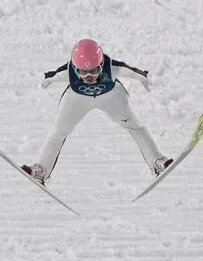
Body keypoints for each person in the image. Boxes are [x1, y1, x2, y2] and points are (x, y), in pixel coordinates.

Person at [22, 39, 172, 185]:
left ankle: (156, 161)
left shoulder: (111, 67)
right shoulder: (67, 72)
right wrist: (43, 83)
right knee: (58, 132)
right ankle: (41, 171)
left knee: (136, 126)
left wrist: (146, 78)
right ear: (74, 68)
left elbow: (134, 72)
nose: (88, 77)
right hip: (77, 100)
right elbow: (51, 76)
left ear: (101, 65)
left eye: (94, 70)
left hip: (111, 97)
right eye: (82, 71)